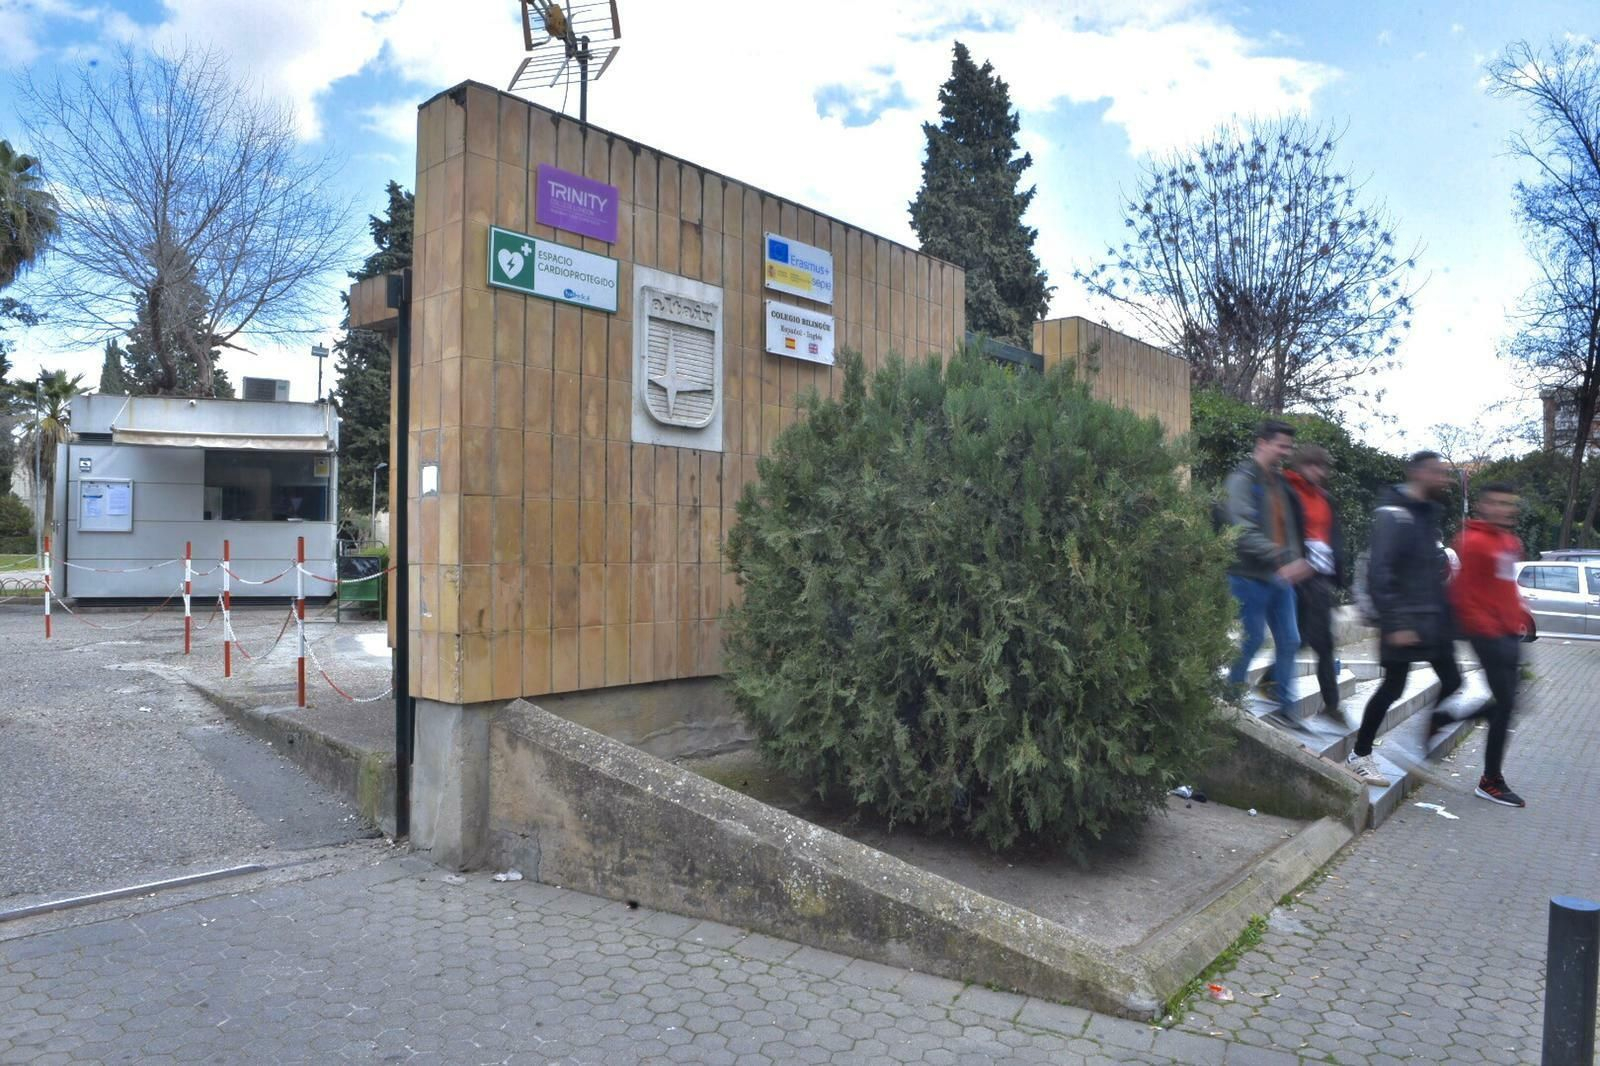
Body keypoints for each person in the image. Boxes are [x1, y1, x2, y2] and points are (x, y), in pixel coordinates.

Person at [1346, 451, 1461, 786]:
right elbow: (1380, 573)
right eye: (1437, 473)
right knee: (1393, 686)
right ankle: (1360, 753)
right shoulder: (1393, 514)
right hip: (1401, 620)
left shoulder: (1428, 513)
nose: (1444, 479)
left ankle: (1419, 744)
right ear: (1417, 473)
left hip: (1431, 620)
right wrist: (1394, 623)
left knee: (1453, 679)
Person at [1438, 482, 1529, 807]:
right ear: (1483, 507)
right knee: (1505, 704)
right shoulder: (1473, 542)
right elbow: (1464, 594)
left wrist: (1520, 618)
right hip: (1487, 635)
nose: (1505, 509)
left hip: (1509, 633)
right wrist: (1489, 631)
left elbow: (1506, 588)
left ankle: (1446, 719)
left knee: (1509, 705)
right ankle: (1490, 780)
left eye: (1509, 503)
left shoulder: (1509, 541)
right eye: (1498, 503)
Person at [1225, 420, 1313, 717]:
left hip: (1280, 575)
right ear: (1262, 443)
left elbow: (1288, 528)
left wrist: (1294, 558)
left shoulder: (1278, 483)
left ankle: (1287, 708)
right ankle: (1230, 699)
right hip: (1248, 575)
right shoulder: (1241, 480)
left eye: (1289, 447)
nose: (1286, 453)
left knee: (1290, 639)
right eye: (1281, 446)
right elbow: (1242, 530)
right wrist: (1284, 554)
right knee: (1252, 640)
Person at [1284, 444, 1347, 721]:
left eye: (1321, 466)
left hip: (1319, 577)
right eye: (1312, 465)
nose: (1318, 471)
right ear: (1300, 465)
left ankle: (1331, 706)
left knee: (1324, 644)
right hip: (1295, 575)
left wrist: (1339, 574)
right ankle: (1273, 684)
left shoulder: (1325, 498)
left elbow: (1333, 537)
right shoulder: (1288, 492)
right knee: (1298, 639)